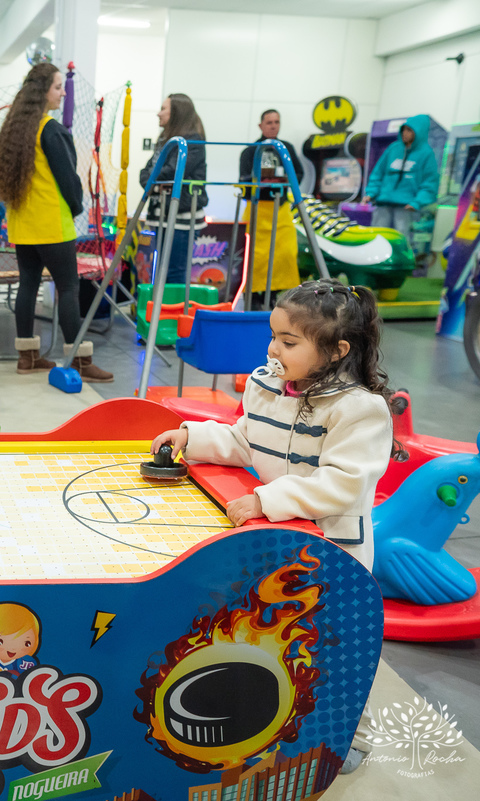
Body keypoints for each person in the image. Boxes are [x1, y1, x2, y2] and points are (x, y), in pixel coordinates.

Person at [149, 278, 397, 775]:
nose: (273, 349)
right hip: (271, 543)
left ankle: (342, 733)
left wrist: (267, 498)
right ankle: (273, 719)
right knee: (278, 637)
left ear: (335, 351)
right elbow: (245, 440)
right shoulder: (266, 384)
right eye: (273, 336)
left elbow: (344, 483)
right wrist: (192, 437)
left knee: (331, 643)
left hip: (332, 551)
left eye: (289, 341)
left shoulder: (359, 409)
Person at [0, 62, 112, 382]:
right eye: (58, 87)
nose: (62, 93)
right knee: (69, 288)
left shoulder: (15, 129)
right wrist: (75, 208)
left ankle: (27, 357)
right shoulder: (51, 130)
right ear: (43, 91)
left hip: (23, 225)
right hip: (51, 225)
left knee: (28, 285)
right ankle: (78, 360)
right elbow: (69, 181)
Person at [139, 93, 207, 287]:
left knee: (175, 272)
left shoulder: (191, 142)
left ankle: (171, 315)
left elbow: (169, 173)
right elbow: (146, 175)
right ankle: (162, 313)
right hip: (162, 213)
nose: (158, 114)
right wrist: (152, 181)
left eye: (163, 109)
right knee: (161, 268)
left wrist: (153, 181)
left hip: (181, 217)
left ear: (176, 113)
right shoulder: (165, 140)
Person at [238, 109, 304, 309]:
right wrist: (263, 182)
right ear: (261, 125)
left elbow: (297, 174)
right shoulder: (250, 151)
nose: (273, 125)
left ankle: (273, 293)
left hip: (281, 210)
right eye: (269, 122)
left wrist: (279, 183)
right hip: (257, 210)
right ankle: (254, 296)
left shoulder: (287, 149)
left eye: (276, 121)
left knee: (284, 254)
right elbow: (243, 181)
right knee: (254, 257)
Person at [364, 115, 439, 259]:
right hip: (383, 203)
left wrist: (416, 202)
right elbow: (378, 173)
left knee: (402, 238)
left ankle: (401, 263)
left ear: (419, 132)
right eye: (404, 130)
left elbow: (429, 183)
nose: (405, 133)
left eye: (410, 130)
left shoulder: (426, 154)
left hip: (406, 207)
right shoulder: (393, 148)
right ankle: (374, 260)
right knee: (376, 235)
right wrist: (371, 193)